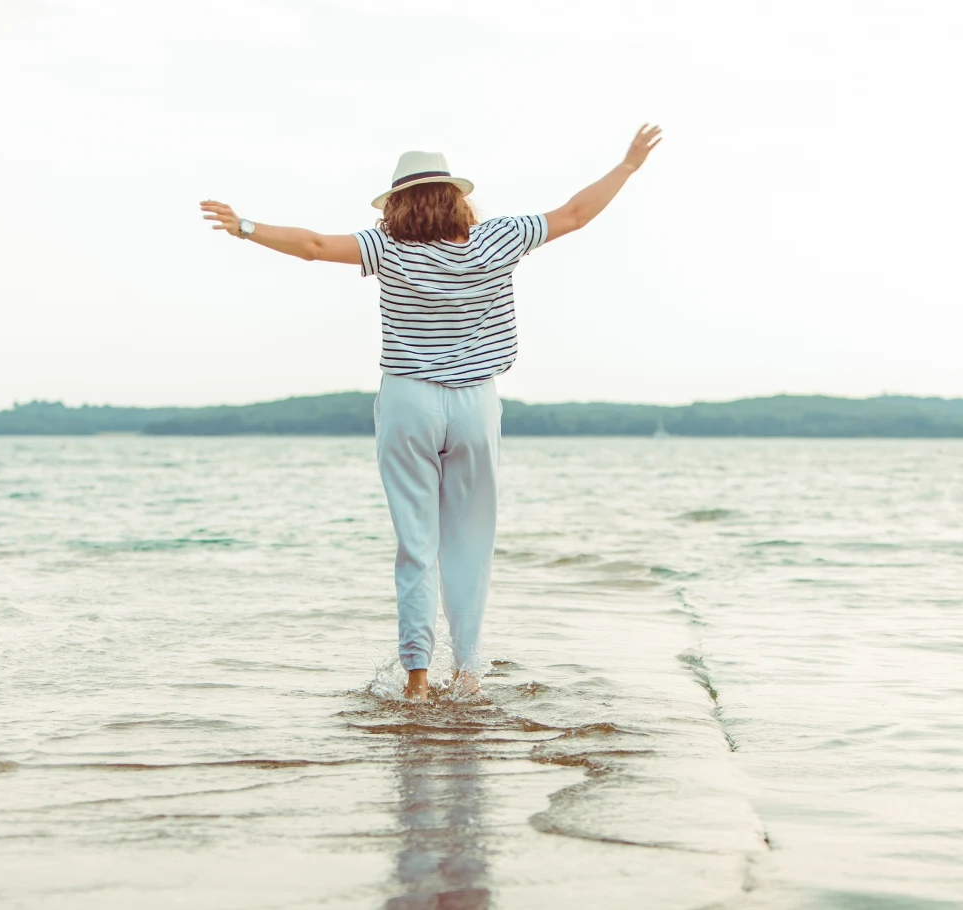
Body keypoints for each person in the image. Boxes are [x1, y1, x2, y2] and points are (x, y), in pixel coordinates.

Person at [200, 124, 662, 701]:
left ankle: (417, 677)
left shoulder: (384, 247)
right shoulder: (498, 239)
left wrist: (245, 227)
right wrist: (627, 167)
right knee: (470, 540)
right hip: (476, 400)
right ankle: (466, 674)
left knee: (417, 542)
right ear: (456, 196)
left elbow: (314, 246)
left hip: (408, 399)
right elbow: (574, 215)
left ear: (396, 203)